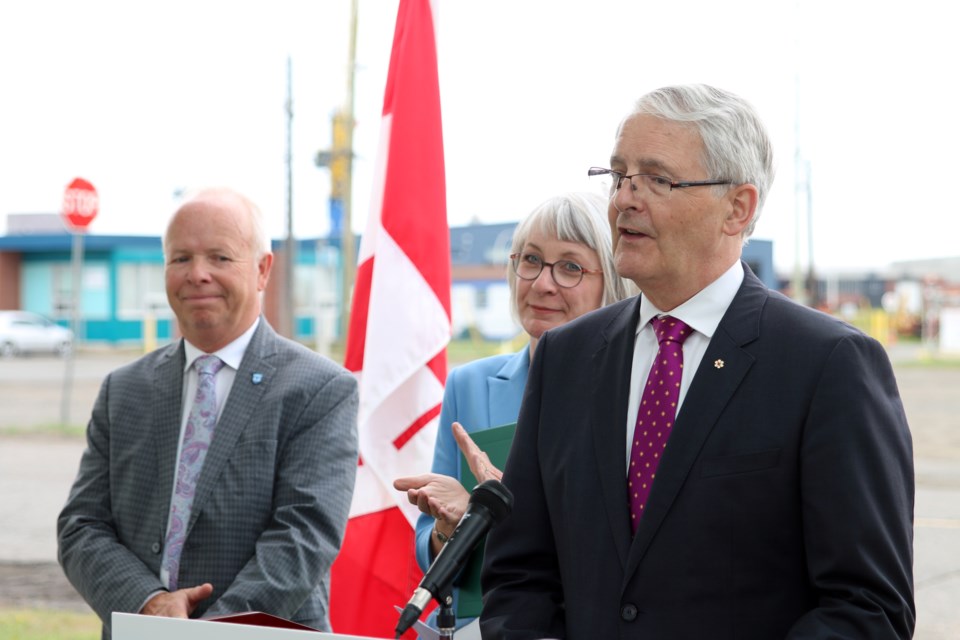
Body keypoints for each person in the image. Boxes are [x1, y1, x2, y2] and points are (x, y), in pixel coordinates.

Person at [480, 84, 915, 639]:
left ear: (738, 208)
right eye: (619, 176)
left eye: (657, 180)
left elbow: (868, 609)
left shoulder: (828, 365)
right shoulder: (566, 358)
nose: (624, 201)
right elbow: (520, 576)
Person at [57, 187, 359, 638]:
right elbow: (82, 526)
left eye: (219, 257)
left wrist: (204, 633)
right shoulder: (124, 390)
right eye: (181, 259)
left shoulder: (320, 389)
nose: (197, 274)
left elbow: (304, 537)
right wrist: (149, 607)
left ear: (262, 269)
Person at [393, 192, 631, 631]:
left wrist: (504, 512)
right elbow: (430, 548)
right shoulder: (469, 385)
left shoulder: (634, 396)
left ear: (613, 282)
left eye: (570, 267)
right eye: (532, 260)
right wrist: (454, 526)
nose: (542, 282)